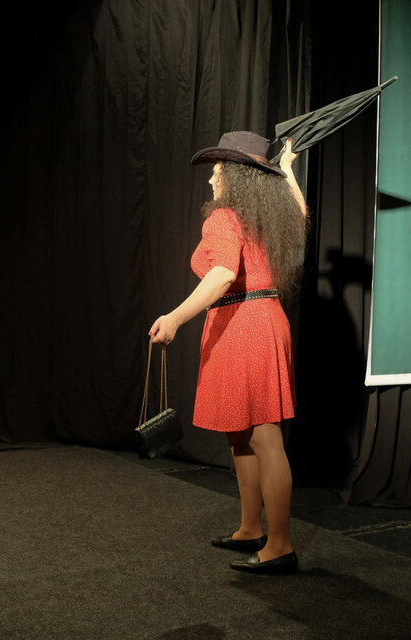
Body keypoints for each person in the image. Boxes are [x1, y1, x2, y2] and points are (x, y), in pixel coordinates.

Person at [148, 131, 307, 574]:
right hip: (263, 318)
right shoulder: (268, 216)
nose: (211, 180)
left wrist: (175, 318)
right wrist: (288, 170)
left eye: (217, 172)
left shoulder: (225, 217)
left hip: (244, 324)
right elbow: (300, 214)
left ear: (235, 176)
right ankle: (250, 528)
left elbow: (221, 275)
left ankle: (279, 545)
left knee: (263, 436)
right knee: (241, 434)